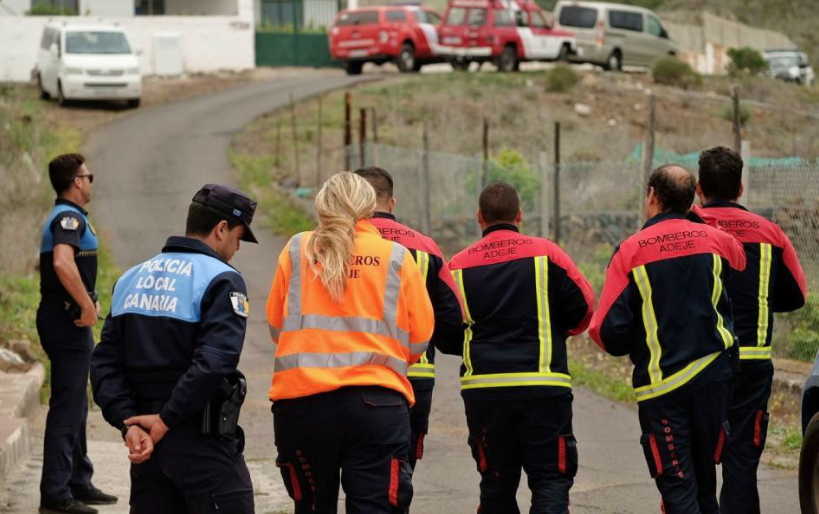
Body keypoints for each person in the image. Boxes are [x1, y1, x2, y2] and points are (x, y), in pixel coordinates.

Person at [266, 172, 434, 514]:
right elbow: (420, 340)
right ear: (369, 206)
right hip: (376, 406)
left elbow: (276, 328)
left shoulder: (297, 250)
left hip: (301, 406)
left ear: (323, 204)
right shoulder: (396, 257)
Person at [90, 184, 258, 514]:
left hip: (147, 445)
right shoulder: (222, 279)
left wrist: (128, 422)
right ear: (221, 229)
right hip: (199, 439)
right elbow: (215, 362)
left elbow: (104, 364)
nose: (237, 247)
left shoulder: (131, 278)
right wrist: (166, 419)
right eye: (239, 237)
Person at [589, 165, 746, 514]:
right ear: (692, 200)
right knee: (705, 483)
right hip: (715, 379)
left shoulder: (629, 252)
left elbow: (605, 331)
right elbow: (741, 263)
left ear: (651, 196)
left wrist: (638, 340)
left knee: (678, 488)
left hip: (663, 389)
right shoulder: (717, 241)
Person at [446, 182, 595, 514]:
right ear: (519, 215)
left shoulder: (457, 265)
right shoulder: (547, 253)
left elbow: (445, 327)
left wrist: (471, 346)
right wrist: (558, 333)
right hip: (543, 386)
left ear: (479, 217)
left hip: (484, 391)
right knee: (550, 482)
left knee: (496, 486)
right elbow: (585, 304)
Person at [691, 147, 807, 514]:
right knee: (741, 462)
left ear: (699, 188)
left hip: (697, 364)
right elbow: (797, 294)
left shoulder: (686, 230)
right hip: (753, 364)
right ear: (741, 187)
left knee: (695, 461)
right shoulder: (770, 232)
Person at [354, 166, 464, 472]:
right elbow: (452, 317)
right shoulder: (425, 247)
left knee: (358, 470)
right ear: (392, 202)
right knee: (400, 470)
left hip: (353, 376)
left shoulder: (340, 244)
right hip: (415, 375)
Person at [38, 153, 117, 514]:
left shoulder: (71, 216)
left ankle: (77, 480)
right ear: (77, 182)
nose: (90, 182)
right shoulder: (68, 218)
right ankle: (56, 494)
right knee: (67, 408)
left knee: (76, 405)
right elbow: (61, 261)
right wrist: (86, 304)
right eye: (88, 176)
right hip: (65, 323)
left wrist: (88, 298)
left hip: (66, 321)